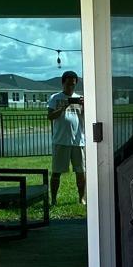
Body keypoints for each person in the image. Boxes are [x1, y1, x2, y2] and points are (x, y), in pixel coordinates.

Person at [46, 70, 86, 205]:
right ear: (63, 83)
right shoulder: (55, 98)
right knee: (56, 172)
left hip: (78, 140)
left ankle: (81, 199)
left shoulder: (80, 98)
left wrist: (85, 106)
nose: (70, 87)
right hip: (61, 140)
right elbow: (50, 116)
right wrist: (63, 107)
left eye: (73, 85)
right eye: (68, 84)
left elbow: (88, 117)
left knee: (80, 171)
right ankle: (54, 200)